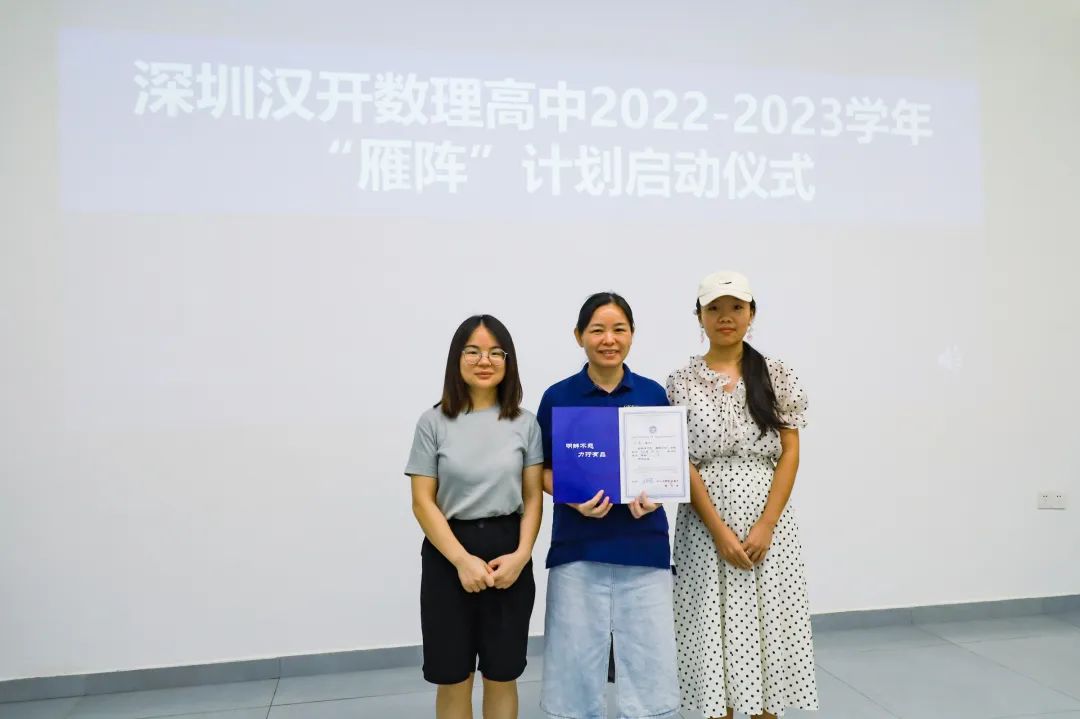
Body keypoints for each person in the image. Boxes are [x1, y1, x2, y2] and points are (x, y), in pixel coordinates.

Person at [666, 271, 819, 719]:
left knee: (768, 631)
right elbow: (683, 461)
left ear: (752, 313)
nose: (725, 317)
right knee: (710, 632)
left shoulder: (777, 373)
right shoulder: (681, 381)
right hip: (702, 527)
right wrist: (719, 532)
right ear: (699, 316)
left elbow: (789, 452)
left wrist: (766, 525)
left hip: (768, 526)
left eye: (736, 307)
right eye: (714, 308)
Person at [536, 292, 680, 719]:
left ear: (632, 335)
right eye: (597, 330)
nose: (608, 339)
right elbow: (539, 470)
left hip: (644, 547)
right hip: (578, 548)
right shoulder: (558, 397)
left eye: (619, 329)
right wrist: (571, 497)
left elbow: (668, 468)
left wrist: (655, 495)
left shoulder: (653, 394)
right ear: (578, 335)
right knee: (574, 667)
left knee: (650, 666)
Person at [405, 314, 544, 719]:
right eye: (473, 352)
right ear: (457, 359)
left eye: (495, 353)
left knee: (502, 675)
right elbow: (422, 502)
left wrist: (521, 555)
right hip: (448, 557)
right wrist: (461, 560)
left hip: (508, 555)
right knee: (453, 676)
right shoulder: (433, 422)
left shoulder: (525, 423)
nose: (485, 361)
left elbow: (533, 498)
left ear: (508, 361)